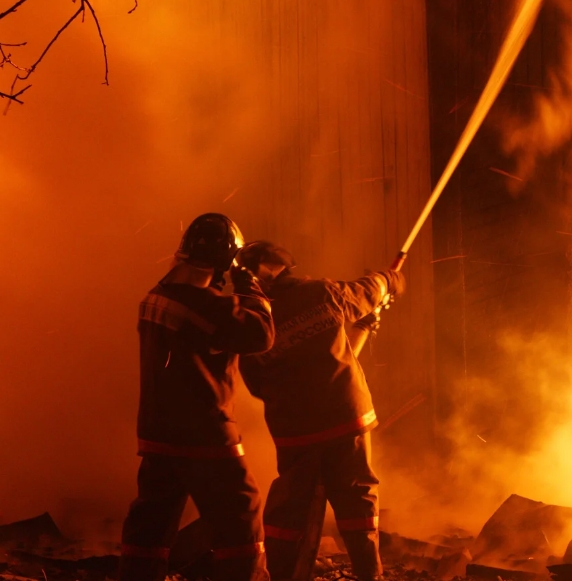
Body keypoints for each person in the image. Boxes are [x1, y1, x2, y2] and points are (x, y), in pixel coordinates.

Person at [236, 241, 405, 581]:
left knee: (289, 511)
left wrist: (362, 327)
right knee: (357, 502)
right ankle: (369, 575)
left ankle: (281, 574)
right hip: (345, 419)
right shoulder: (320, 293)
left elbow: (256, 384)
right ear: (281, 267)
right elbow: (366, 291)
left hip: (295, 433)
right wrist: (389, 280)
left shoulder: (251, 322)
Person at [120, 213, 276, 581]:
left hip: (158, 434)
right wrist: (248, 284)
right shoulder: (207, 305)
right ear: (225, 263)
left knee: (151, 525)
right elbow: (261, 334)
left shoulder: (155, 297)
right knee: (241, 517)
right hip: (205, 435)